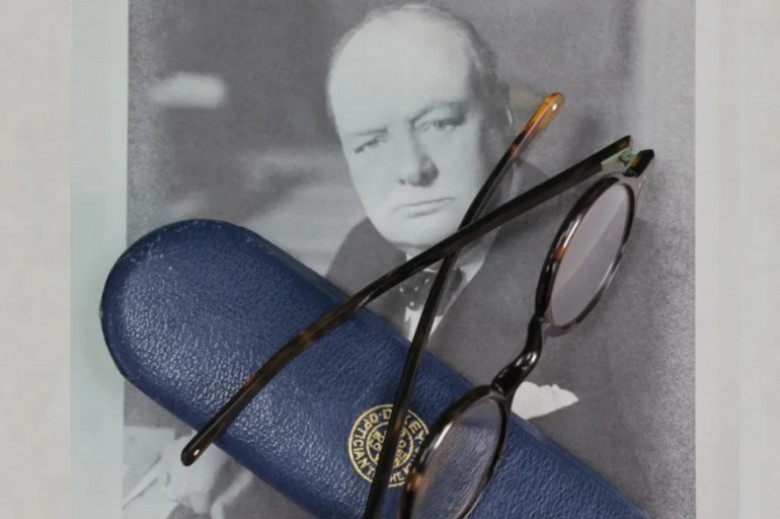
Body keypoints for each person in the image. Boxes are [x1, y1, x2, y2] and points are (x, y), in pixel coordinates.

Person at [160, 4, 654, 517]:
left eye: (438, 123)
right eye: (371, 142)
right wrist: (243, 440)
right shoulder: (366, 248)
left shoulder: (645, 277)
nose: (411, 170)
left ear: (503, 117)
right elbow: (322, 406)